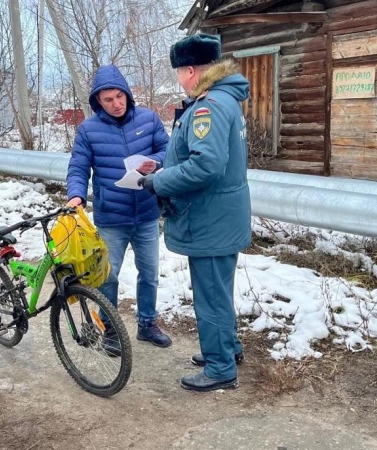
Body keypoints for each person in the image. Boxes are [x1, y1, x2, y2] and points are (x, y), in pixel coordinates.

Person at [138, 34, 251, 392]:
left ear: (190, 70)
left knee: (210, 296)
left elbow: (207, 165)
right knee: (219, 289)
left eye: (178, 73)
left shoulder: (209, 106)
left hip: (209, 217)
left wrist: (159, 181)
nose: (178, 80)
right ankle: (226, 349)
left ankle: (220, 368)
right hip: (219, 213)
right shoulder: (223, 99)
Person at [66, 64, 172, 354]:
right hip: (111, 217)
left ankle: (147, 323)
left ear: (126, 93)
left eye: (119, 96)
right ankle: (110, 330)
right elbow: (78, 167)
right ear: (98, 102)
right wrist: (75, 195)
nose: (116, 104)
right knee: (108, 277)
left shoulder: (149, 120)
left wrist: (157, 162)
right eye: (108, 99)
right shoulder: (88, 130)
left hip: (147, 213)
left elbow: (169, 150)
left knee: (149, 273)